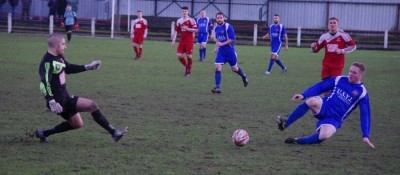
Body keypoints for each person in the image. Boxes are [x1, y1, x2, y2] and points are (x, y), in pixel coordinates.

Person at [35, 34, 128, 143]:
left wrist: (88, 67)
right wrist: (51, 101)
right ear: (55, 46)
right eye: (63, 44)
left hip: (65, 97)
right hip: (58, 102)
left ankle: (43, 133)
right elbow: (44, 83)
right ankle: (114, 133)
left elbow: (68, 68)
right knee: (91, 106)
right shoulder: (47, 62)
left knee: (77, 123)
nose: (65, 46)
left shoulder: (59, 57)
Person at [276, 62, 374, 149]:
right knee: (312, 101)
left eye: (354, 73)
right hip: (324, 107)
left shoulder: (362, 93)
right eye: (350, 71)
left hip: (334, 119)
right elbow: (321, 86)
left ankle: (298, 140)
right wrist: (303, 95)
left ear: (361, 75)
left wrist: (365, 135)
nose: (350, 74)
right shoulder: (340, 79)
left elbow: (365, 115)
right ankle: (285, 123)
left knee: (324, 135)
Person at [311, 17, 356, 96]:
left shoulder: (343, 35)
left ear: (337, 25)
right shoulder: (324, 36)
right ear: (328, 25)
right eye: (331, 23)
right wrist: (313, 47)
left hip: (337, 66)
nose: (332, 25)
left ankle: (333, 104)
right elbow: (316, 50)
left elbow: (353, 46)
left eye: (334, 23)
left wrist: (342, 51)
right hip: (326, 65)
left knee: (334, 87)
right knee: (325, 87)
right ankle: (326, 105)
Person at [211, 12, 248, 94]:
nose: (219, 19)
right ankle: (218, 87)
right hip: (221, 52)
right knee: (217, 67)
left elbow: (233, 39)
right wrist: (216, 47)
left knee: (234, 69)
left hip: (230, 51)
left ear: (224, 18)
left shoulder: (228, 26)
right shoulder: (216, 28)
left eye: (221, 17)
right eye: (218, 18)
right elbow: (217, 39)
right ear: (216, 19)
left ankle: (244, 76)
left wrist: (222, 44)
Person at [171, 6, 198, 77]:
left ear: (188, 12)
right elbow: (176, 31)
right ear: (181, 12)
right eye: (183, 11)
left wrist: (188, 29)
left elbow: (196, 30)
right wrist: (174, 39)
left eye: (186, 11)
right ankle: (187, 67)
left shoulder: (192, 20)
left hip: (189, 40)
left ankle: (188, 72)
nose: (184, 12)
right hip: (182, 40)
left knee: (189, 56)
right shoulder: (179, 20)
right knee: (179, 55)